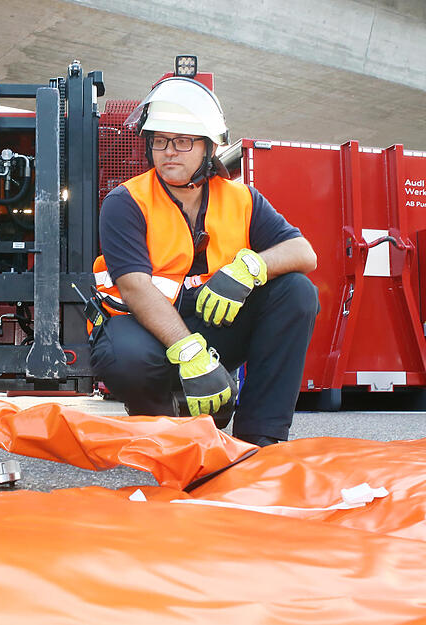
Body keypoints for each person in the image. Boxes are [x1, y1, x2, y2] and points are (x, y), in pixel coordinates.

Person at [90, 76, 319, 446]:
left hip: (214, 324)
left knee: (297, 292)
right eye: (160, 141)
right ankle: (169, 424)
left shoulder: (241, 200)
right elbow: (134, 286)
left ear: (209, 148)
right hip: (144, 330)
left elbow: (303, 253)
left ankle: (260, 438)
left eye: (182, 141)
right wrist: (190, 352)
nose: (168, 152)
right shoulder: (126, 201)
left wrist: (251, 268)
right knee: (124, 357)